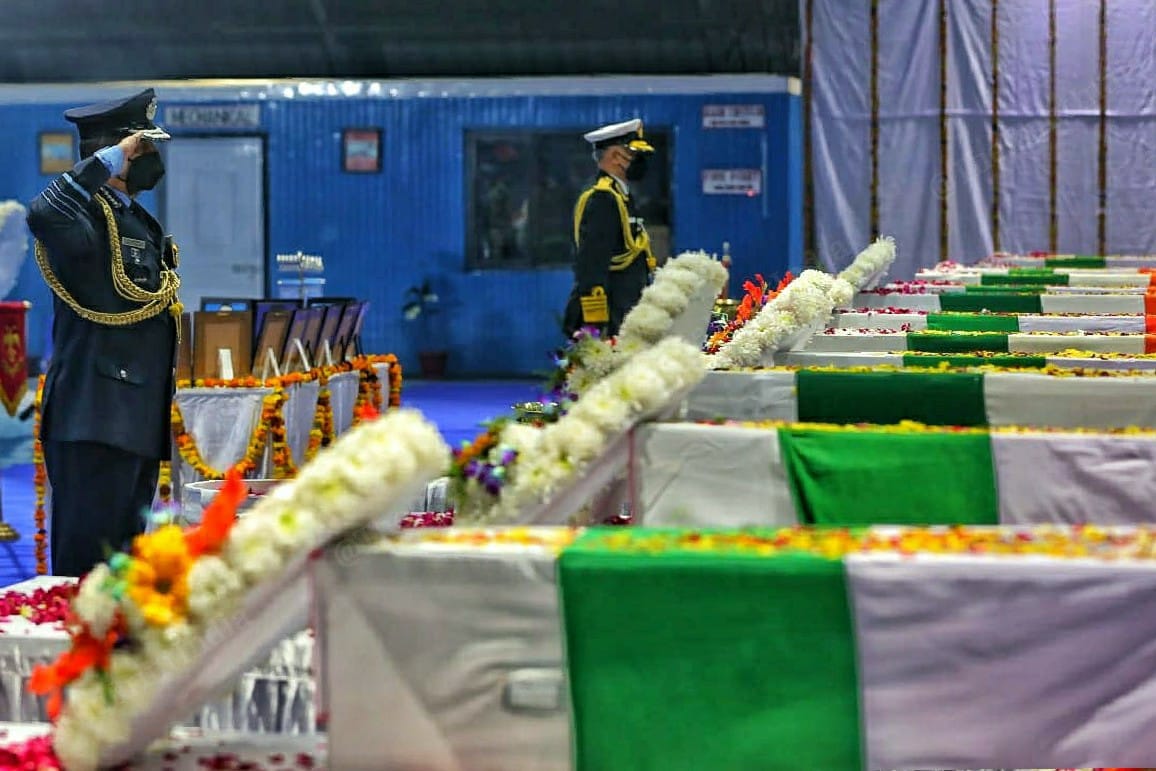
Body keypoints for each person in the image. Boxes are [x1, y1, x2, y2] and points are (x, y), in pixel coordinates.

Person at [26, 88, 182, 577]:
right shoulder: (85, 216)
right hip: (93, 416)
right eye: (145, 147)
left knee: (121, 570)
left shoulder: (138, 219)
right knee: (84, 572)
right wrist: (108, 159)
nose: (154, 158)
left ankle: (114, 651)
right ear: (117, 152)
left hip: (132, 418)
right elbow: (43, 213)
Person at [562, 119, 657, 338]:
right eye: (635, 155)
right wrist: (595, 323)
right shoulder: (603, 199)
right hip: (613, 318)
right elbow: (592, 264)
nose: (641, 162)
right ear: (616, 156)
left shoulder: (621, 196)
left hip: (627, 311)